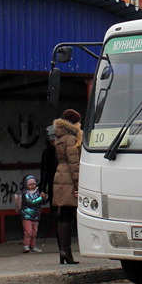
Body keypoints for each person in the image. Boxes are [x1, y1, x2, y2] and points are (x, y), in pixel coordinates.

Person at [52, 109, 82, 265]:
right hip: (68, 179)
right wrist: (78, 185)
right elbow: (74, 164)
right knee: (68, 215)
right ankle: (66, 251)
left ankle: (62, 251)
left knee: (62, 214)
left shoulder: (59, 138)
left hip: (60, 176)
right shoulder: (70, 139)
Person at [17, 174, 47, 253]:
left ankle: (32, 246)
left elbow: (42, 202)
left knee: (34, 232)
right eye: (30, 184)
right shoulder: (25, 194)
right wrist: (41, 198)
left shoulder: (37, 193)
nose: (32, 186)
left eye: (33, 184)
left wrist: (44, 198)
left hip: (35, 216)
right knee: (28, 232)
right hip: (26, 215)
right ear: (26, 185)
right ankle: (26, 245)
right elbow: (31, 202)